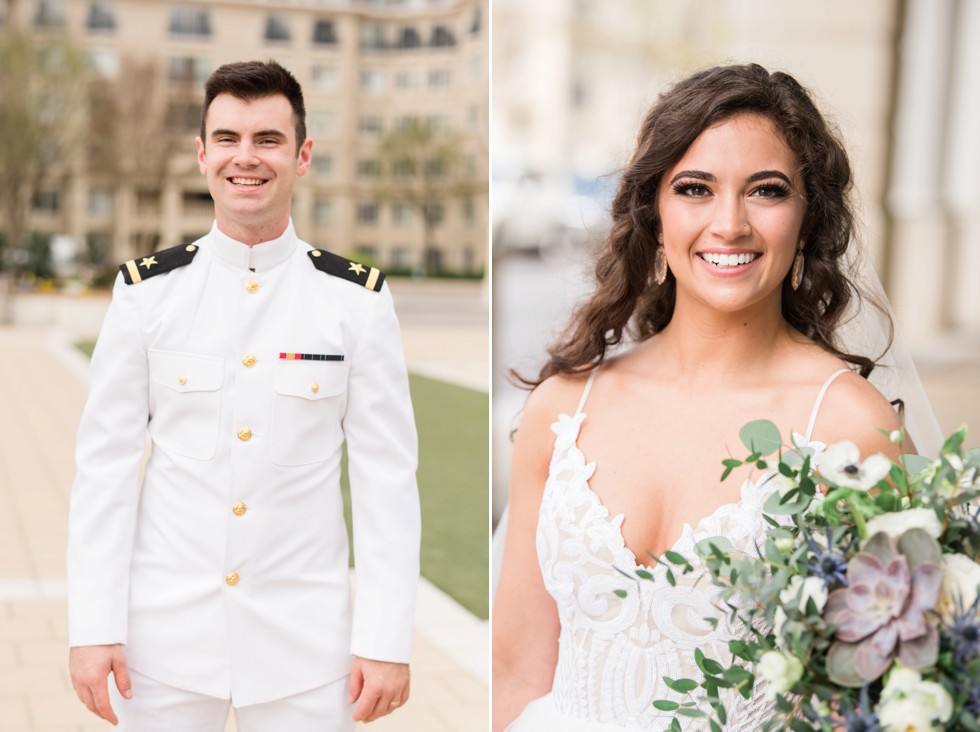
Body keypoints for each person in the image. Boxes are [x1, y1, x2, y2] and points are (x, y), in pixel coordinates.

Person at [492, 63, 938, 731]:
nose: (729, 224)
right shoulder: (565, 409)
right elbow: (516, 673)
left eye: (766, 190)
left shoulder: (852, 429)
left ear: (806, 221)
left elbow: (871, 701)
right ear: (655, 215)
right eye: (695, 188)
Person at [67, 60, 421, 731]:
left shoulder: (355, 302)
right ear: (202, 156)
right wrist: (92, 627)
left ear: (302, 156)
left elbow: (386, 481)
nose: (245, 158)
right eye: (227, 139)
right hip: (161, 640)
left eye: (268, 139)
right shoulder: (147, 294)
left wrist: (385, 640)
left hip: (308, 650)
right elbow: (104, 470)